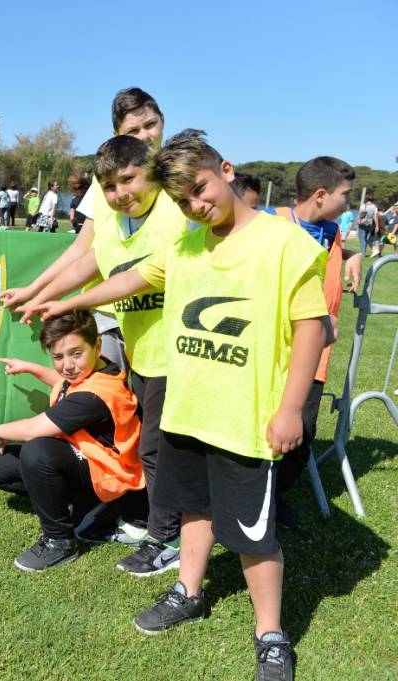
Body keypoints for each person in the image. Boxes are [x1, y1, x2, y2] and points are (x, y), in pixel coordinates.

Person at [41, 130, 328, 681]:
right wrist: (69, 299)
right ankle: (188, 591)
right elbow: (130, 278)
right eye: (182, 203)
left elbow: (311, 328)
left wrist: (290, 409)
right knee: (194, 510)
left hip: (245, 420)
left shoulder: (284, 242)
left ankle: (270, 632)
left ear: (225, 169)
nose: (197, 207)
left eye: (200, 189)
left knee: (253, 534)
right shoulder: (187, 243)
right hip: (188, 410)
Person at [20, 136, 189, 573]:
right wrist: (41, 295)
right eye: (110, 187)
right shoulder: (114, 220)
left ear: (151, 172)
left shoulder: (176, 212)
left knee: (159, 448)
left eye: (128, 180)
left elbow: (141, 277)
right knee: (145, 445)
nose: (121, 194)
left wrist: (69, 303)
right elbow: (89, 263)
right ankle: (150, 524)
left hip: (181, 353)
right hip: (142, 354)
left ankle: (167, 539)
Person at [0, 87, 169, 376]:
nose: (144, 136)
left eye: (150, 125)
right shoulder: (106, 185)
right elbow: (84, 250)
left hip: (159, 321)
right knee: (109, 401)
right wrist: (33, 292)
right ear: (117, 134)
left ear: (162, 120)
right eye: (132, 130)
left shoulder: (179, 177)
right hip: (110, 315)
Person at [0, 312, 146, 572]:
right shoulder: (93, 370)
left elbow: (35, 428)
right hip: (85, 464)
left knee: (37, 451)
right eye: (58, 357)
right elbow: (64, 383)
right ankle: (70, 503)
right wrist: (31, 368)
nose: (67, 365)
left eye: (75, 354)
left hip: (113, 479)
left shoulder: (98, 393)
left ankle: (60, 541)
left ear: (98, 345)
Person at [265, 156, 360, 530]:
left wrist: (352, 255)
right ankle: (253, 498)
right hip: (271, 351)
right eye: (345, 195)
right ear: (320, 195)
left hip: (315, 355)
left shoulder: (333, 231)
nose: (348, 203)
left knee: (302, 433)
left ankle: (277, 496)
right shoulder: (269, 222)